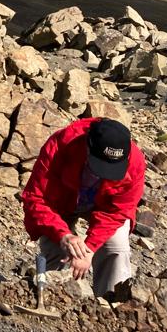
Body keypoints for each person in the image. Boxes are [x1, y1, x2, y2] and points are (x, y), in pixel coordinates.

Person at [22, 117, 145, 298]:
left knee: (117, 248)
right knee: (59, 249)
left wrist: (90, 248)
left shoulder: (135, 163)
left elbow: (118, 211)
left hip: (103, 207)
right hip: (61, 204)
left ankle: (110, 306)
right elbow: (36, 198)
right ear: (87, 146)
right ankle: (52, 298)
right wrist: (63, 235)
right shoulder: (60, 145)